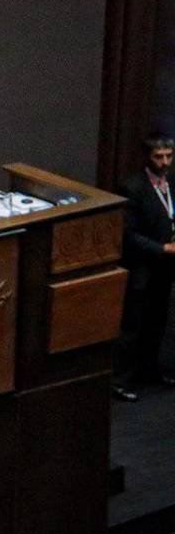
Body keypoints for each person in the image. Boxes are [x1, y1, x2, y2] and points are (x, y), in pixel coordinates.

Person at [114, 135, 175, 401]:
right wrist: (162, 248)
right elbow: (127, 234)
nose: (165, 162)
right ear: (147, 157)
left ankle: (149, 369)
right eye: (158, 157)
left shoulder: (170, 183)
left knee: (157, 321)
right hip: (140, 268)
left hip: (163, 269)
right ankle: (121, 380)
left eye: (169, 156)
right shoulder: (133, 187)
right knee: (132, 326)